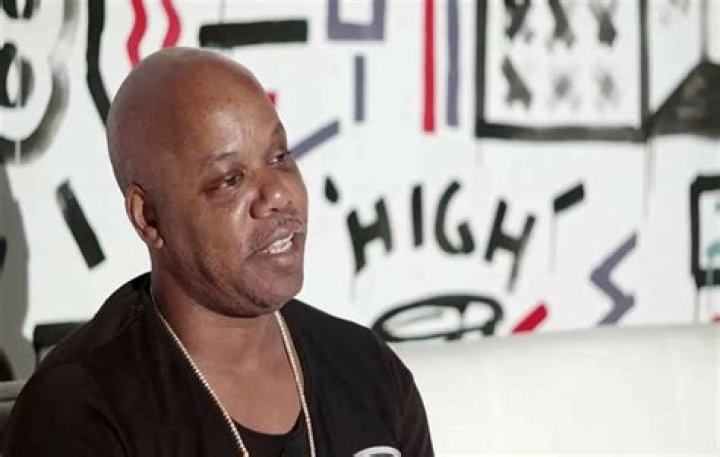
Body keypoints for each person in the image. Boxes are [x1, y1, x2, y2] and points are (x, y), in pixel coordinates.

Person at [1, 48, 433, 456]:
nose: (277, 194)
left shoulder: (368, 369)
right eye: (230, 180)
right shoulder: (80, 409)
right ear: (149, 218)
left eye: (279, 157)